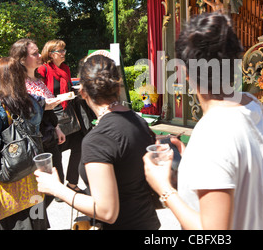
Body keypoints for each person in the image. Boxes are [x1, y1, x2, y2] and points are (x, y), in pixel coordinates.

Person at [142, 12, 263, 229]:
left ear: (185, 72)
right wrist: (191, 160)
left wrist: (164, 189)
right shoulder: (251, 105)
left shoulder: (212, 135)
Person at [35, 54, 161, 229]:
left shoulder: (98, 139)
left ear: (82, 92)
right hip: (148, 223)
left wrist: (57, 189)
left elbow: (106, 212)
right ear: (118, 87)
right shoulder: (136, 120)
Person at [0, 57, 49, 230]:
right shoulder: (32, 100)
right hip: (32, 174)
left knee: (12, 222)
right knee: (36, 218)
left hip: (7, 178)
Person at [9, 38, 66, 206]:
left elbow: (48, 106)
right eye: (34, 53)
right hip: (34, 139)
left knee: (55, 182)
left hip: (48, 135)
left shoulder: (38, 78)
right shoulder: (17, 84)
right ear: (21, 59)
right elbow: (22, 112)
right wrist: (42, 106)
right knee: (41, 189)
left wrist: (57, 127)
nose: (40, 55)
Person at [37, 39, 84, 194]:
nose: (64, 54)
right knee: (55, 151)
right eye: (60, 51)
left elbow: (68, 88)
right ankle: (58, 186)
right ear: (50, 54)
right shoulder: (43, 70)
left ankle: (72, 183)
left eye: (64, 50)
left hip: (67, 113)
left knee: (79, 144)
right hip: (51, 116)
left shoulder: (65, 69)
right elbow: (41, 95)